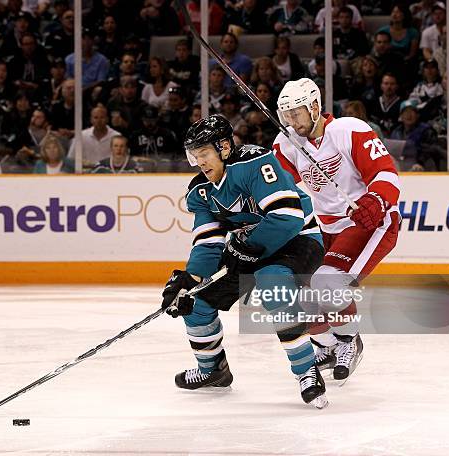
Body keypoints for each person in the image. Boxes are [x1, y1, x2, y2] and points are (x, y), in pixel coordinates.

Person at [162, 114, 328, 408]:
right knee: (195, 301)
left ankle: (307, 372)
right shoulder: (200, 192)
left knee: (272, 283)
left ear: (224, 147)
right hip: (249, 246)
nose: (200, 162)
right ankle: (213, 370)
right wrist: (191, 278)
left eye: (205, 154)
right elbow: (208, 241)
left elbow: (288, 218)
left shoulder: (256, 163)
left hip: (297, 239)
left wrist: (248, 247)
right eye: (195, 156)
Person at [273, 78, 400, 383]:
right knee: (300, 295)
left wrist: (376, 199)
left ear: (315, 106)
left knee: (327, 281)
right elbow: (275, 188)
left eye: (297, 113)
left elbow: (386, 173)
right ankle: (328, 345)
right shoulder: (287, 144)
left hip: (368, 223)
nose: (292, 121)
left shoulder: (349, 130)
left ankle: (349, 341)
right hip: (327, 229)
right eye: (286, 115)